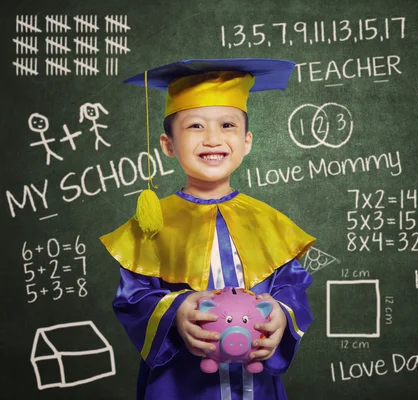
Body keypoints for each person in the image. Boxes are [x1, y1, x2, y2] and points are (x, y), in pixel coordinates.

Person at [99, 58, 316, 400]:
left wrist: (280, 315)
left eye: (227, 124)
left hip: (256, 384)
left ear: (247, 141)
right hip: (179, 386)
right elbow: (132, 298)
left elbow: (293, 287)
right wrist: (177, 310)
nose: (213, 139)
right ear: (168, 145)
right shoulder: (153, 224)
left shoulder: (267, 220)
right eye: (195, 126)